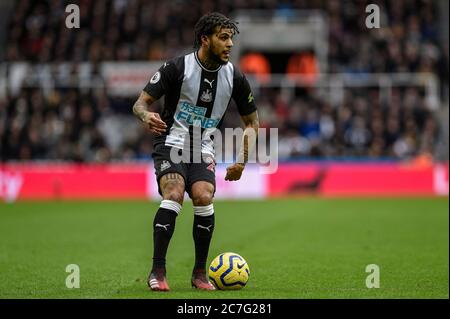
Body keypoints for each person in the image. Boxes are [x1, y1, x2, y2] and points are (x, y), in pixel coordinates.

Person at [132, 12, 259, 291]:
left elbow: (252, 122)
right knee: (174, 193)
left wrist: (241, 161)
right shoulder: (176, 68)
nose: (230, 45)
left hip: (202, 148)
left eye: (231, 39)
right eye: (223, 38)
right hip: (171, 143)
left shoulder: (235, 76)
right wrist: (145, 117)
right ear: (205, 39)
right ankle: (158, 271)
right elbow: (140, 103)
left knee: (203, 196)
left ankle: (200, 274)